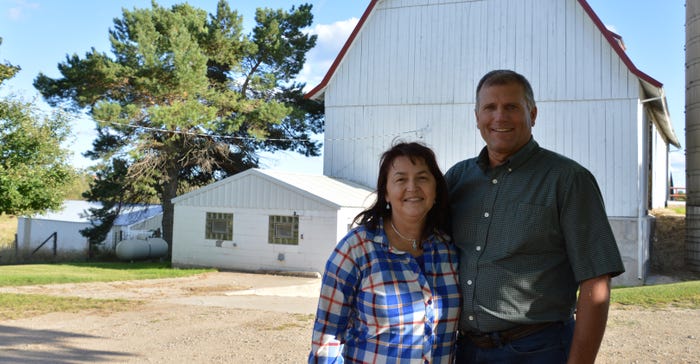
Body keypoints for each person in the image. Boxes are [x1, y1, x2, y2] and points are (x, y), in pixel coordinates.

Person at [445, 69, 625, 363]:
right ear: (476, 117)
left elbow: (596, 281)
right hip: (467, 350)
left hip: (538, 350)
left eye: (512, 107)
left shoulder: (568, 180)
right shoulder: (457, 178)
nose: (499, 117)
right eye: (490, 107)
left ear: (533, 113)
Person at [309, 141, 461, 363]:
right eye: (401, 179)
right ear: (386, 193)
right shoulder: (356, 248)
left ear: (435, 190)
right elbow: (327, 337)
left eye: (422, 178)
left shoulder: (449, 249)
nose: (412, 187)